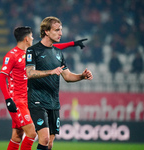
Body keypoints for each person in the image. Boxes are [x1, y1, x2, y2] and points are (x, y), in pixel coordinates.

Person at [0, 26, 88, 150]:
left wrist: (73, 44)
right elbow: (2, 78)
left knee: (17, 136)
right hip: (18, 101)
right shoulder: (12, 55)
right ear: (26, 39)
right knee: (31, 132)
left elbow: (53, 48)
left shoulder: (31, 52)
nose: (33, 38)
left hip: (29, 99)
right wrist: (8, 100)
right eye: (31, 36)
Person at [25, 16, 93, 150]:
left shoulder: (58, 53)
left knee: (49, 144)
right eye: (57, 30)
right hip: (37, 100)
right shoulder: (33, 50)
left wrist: (81, 76)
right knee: (43, 138)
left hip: (53, 102)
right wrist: (50, 72)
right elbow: (30, 73)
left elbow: (67, 76)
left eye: (61, 30)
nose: (61, 33)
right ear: (46, 31)